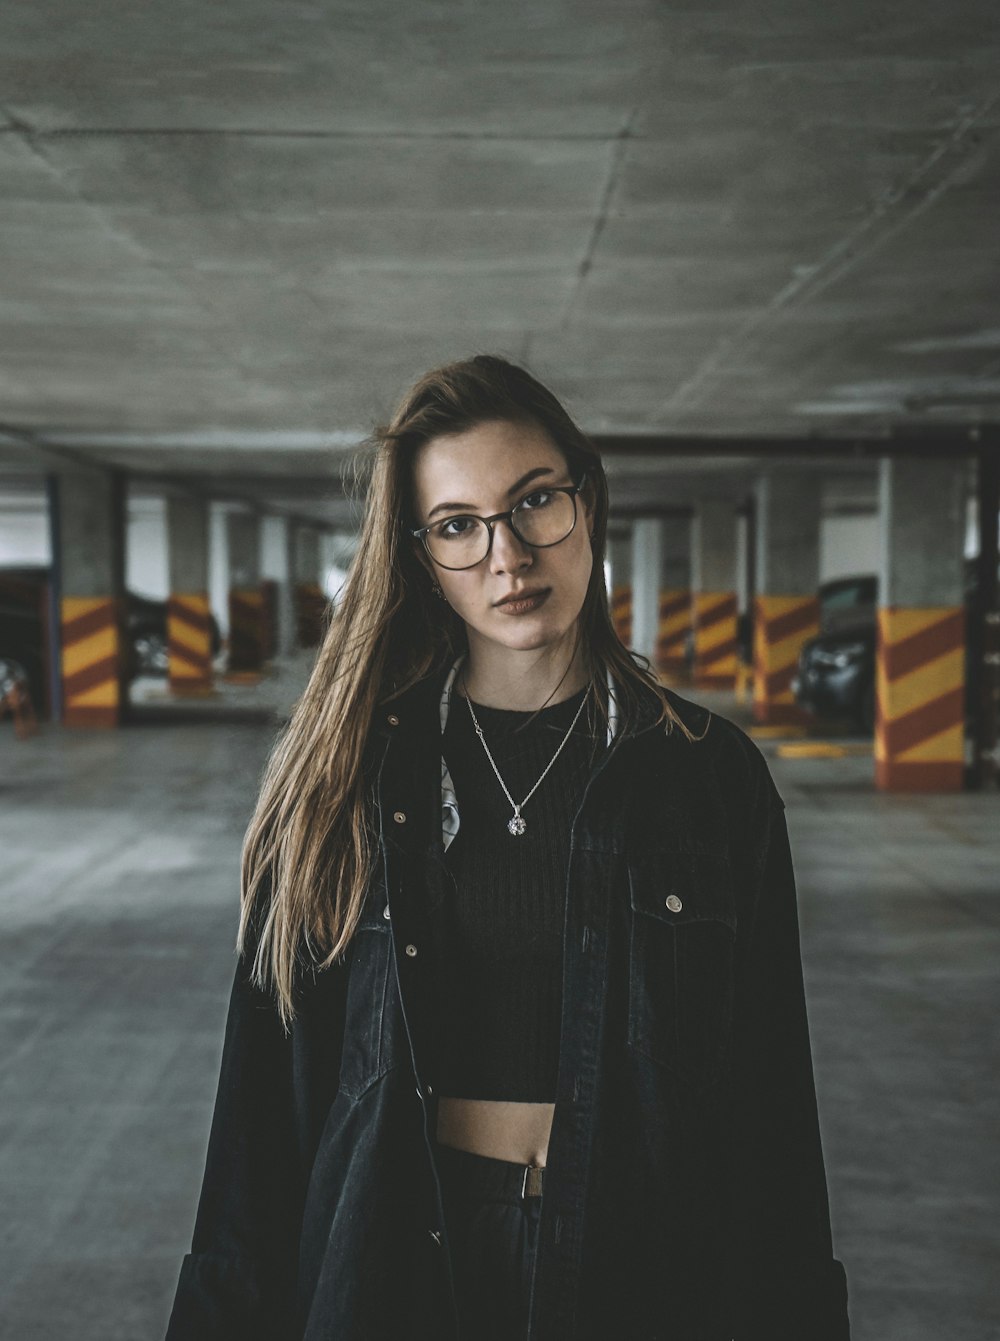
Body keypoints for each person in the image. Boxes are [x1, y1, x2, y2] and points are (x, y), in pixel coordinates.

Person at [165, 354, 851, 1341]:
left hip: (640, 1260)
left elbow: (769, 1096)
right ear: (419, 553)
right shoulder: (340, 780)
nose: (508, 554)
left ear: (587, 499)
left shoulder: (705, 777)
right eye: (458, 525)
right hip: (393, 1254)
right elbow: (261, 1112)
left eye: (535, 502)